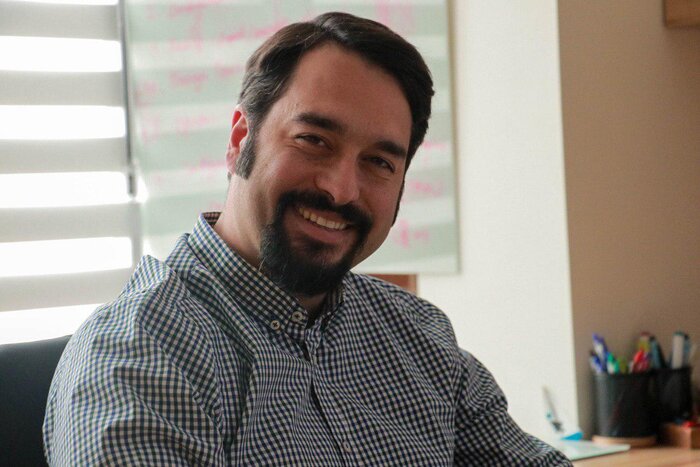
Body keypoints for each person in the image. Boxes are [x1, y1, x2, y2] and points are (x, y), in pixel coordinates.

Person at [43, 12, 571, 466]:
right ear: (240, 140)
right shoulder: (140, 355)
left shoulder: (419, 336)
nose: (341, 190)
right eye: (313, 140)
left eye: (379, 162)